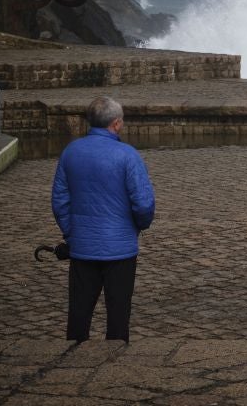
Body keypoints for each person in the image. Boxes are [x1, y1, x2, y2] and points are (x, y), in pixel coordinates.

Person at [51, 97, 156, 342]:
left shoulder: (71, 152)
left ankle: (72, 361)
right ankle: (114, 365)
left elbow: (59, 200)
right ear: (117, 124)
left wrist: (71, 232)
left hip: (82, 247)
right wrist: (138, 226)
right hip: (120, 249)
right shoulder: (128, 156)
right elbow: (143, 203)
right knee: (118, 314)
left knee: (79, 314)